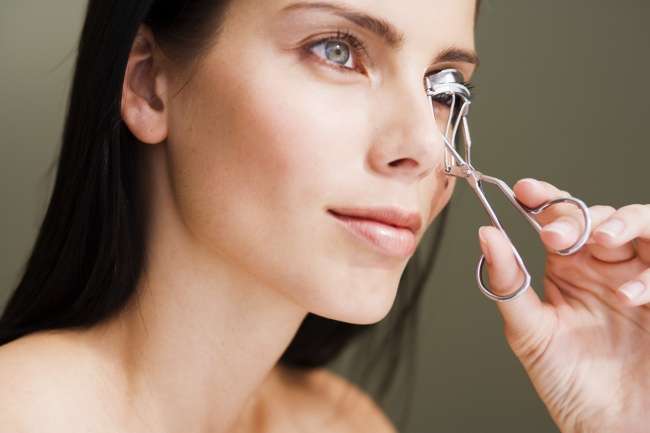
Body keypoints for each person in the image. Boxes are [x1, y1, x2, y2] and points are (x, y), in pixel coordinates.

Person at [0, 0, 648, 432]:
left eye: (444, 86)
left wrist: (616, 418)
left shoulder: (341, 423)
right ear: (147, 84)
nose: (427, 148)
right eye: (337, 51)